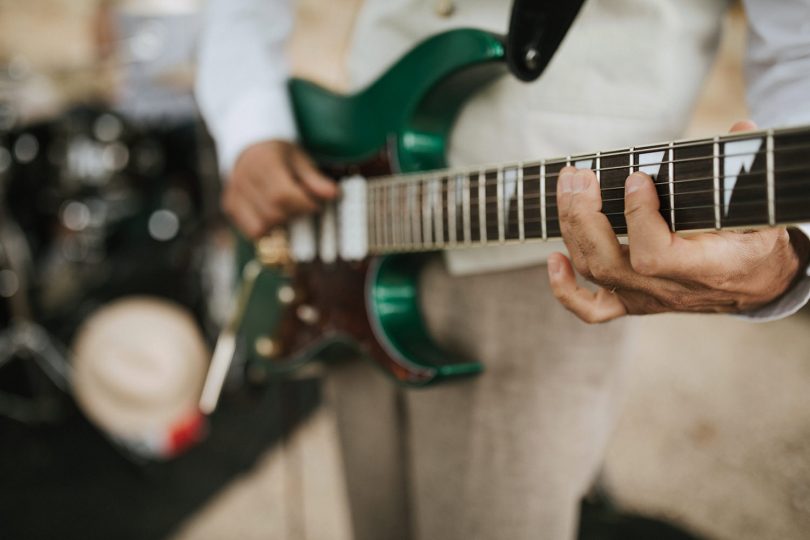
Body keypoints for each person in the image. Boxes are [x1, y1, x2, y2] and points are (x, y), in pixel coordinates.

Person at [196, 1, 810, 538]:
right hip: (346, 193)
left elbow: (800, 46)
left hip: (548, 262)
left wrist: (792, 248)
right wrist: (251, 125)